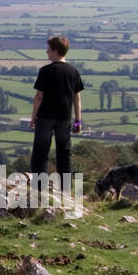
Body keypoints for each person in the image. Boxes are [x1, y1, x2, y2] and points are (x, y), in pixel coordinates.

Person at [30, 35, 84, 176]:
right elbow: (77, 98)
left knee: (40, 153)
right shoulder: (73, 71)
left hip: (45, 117)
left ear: (55, 51)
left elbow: (39, 97)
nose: (47, 52)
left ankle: (40, 188)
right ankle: (64, 188)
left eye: (48, 49)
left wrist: (33, 118)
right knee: (64, 153)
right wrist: (78, 120)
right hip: (64, 118)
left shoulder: (46, 71)